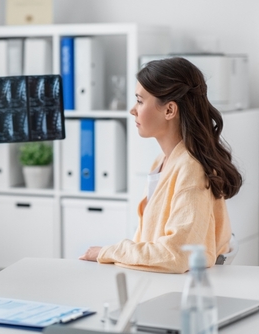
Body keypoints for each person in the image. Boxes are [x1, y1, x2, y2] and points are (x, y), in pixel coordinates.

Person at [80, 57, 242, 274]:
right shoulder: (162, 161)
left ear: (169, 110)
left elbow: (178, 254)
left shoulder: (190, 169)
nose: (132, 110)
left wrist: (108, 252)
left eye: (139, 100)